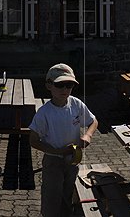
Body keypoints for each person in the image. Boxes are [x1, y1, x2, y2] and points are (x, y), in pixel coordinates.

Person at [31, 63, 96, 217]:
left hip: (73, 158)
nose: (65, 89)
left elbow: (93, 121)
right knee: (52, 195)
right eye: (60, 85)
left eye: (69, 85)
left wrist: (88, 135)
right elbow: (33, 140)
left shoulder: (76, 104)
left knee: (68, 191)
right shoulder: (44, 113)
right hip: (53, 161)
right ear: (49, 86)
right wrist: (57, 151)